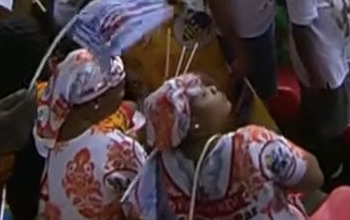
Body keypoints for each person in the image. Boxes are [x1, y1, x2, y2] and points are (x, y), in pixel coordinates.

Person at [124, 74, 323, 220]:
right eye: (203, 94)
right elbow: (314, 178)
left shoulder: (160, 171)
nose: (213, 89)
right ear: (194, 125)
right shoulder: (251, 144)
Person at [34, 50, 145, 220]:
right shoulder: (120, 149)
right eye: (120, 89)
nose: (123, 94)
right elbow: (148, 206)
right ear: (96, 101)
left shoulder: (49, 127)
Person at [284, 0, 350, 175]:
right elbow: (301, 29)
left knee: (323, 116)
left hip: (332, 51)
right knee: (328, 123)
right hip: (323, 63)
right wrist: (316, 74)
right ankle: (327, 171)